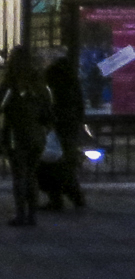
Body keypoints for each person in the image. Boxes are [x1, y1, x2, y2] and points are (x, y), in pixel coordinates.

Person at [0, 45, 51, 227]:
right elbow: (48, 113)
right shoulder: (40, 85)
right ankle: (32, 215)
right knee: (32, 174)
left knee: (19, 174)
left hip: (16, 135)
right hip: (37, 135)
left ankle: (21, 214)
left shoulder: (11, 84)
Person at [42, 50, 87, 212]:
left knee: (52, 162)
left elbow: (48, 100)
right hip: (71, 123)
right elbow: (80, 102)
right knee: (66, 161)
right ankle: (75, 195)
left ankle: (59, 197)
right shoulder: (71, 76)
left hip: (57, 123)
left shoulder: (50, 75)